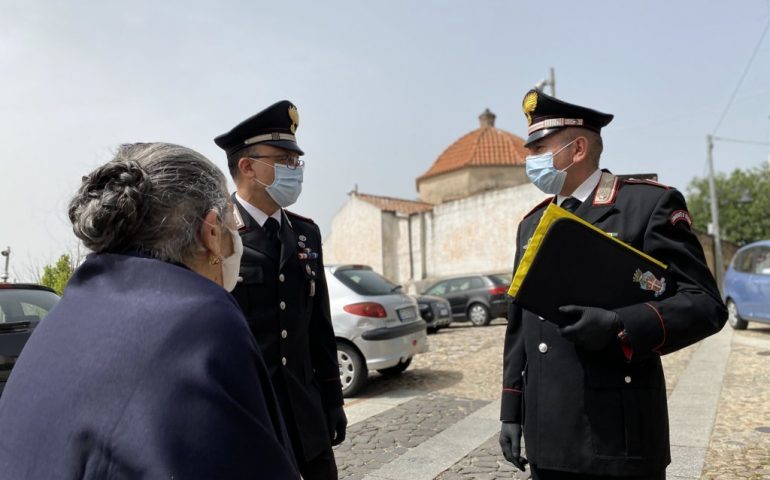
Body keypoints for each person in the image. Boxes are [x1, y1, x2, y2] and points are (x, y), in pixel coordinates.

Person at [0, 143, 299, 479]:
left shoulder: (63, 315)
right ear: (212, 232)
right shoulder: (203, 320)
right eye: (233, 221)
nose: (238, 235)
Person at [498, 90, 727, 480]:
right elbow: (520, 322)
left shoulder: (646, 204)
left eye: (540, 148)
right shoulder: (532, 224)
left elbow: (704, 304)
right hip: (547, 433)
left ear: (578, 147)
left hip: (618, 434)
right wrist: (512, 411)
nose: (530, 160)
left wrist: (620, 325)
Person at [214, 100, 346, 480]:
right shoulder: (216, 234)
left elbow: (318, 325)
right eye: (284, 160)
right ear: (248, 166)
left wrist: (332, 400)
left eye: (296, 161)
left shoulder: (305, 233)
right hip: (250, 415)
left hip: (307, 417)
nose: (295, 170)